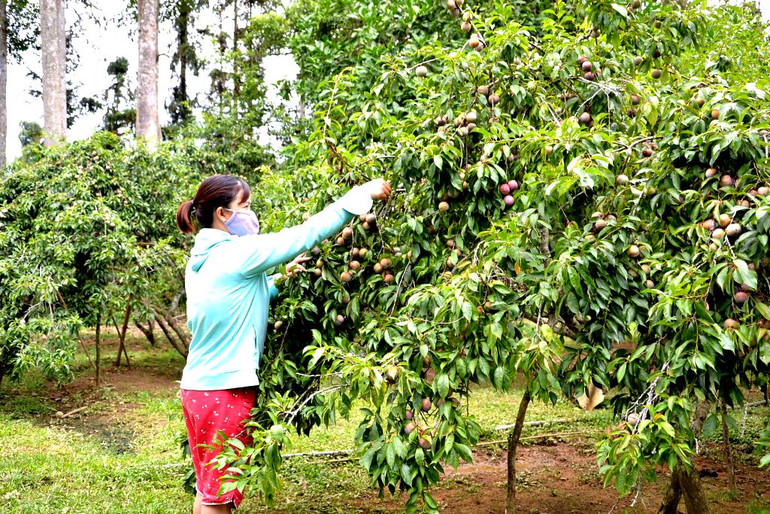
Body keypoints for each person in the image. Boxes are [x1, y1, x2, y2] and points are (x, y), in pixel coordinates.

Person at [175, 174, 391, 513]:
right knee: (221, 500)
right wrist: (359, 195)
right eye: (244, 206)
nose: (251, 214)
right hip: (226, 390)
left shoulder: (201, 258)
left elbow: (232, 297)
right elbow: (304, 234)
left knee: (208, 491)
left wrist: (279, 279)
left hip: (197, 389)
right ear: (223, 214)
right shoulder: (239, 252)